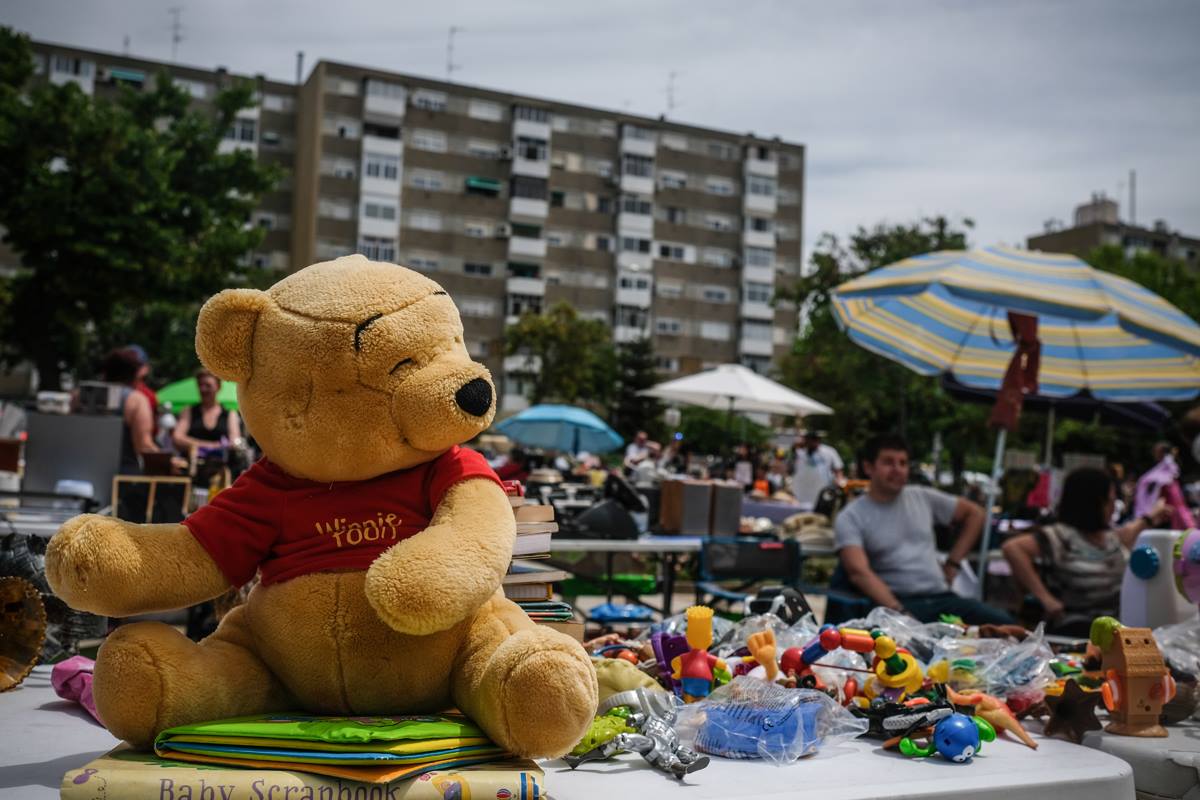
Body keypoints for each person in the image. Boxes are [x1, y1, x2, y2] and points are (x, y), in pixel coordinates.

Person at [833, 433, 1014, 624]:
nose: (898, 470)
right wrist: (899, 613)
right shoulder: (851, 516)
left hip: (943, 597)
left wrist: (953, 563)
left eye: (903, 463)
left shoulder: (922, 497)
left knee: (1005, 625)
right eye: (888, 462)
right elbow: (859, 573)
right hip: (898, 602)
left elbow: (976, 514)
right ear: (868, 467)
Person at [1002, 466, 1172, 635]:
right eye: (1110, 501)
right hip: (1074, 630)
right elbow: (1012, 548)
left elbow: (1128, 533)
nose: (1113, 508)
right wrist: (1046, 598)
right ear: (1094, 502)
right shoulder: (1059, 537)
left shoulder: (1108, 537)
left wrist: (1152, 516)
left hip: (1116, 628)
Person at [172, 370, 241, 454]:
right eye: (200, 385)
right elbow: (177, 437)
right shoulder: (188, 411)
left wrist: (193, 444)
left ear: (218, 387)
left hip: (221, 464)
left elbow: (234, 441)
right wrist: (210, 445)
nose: (203, 389)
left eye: (208, 385)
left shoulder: (230, 413)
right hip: (193, 463)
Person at [791, 430, 844, 507]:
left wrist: (839, 481)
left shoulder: (829, 451)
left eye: (813, 439)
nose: (810, 442)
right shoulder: (802, 453)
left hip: (825, 489)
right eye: (808, 440)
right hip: (805, 491)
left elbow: (838, 469)